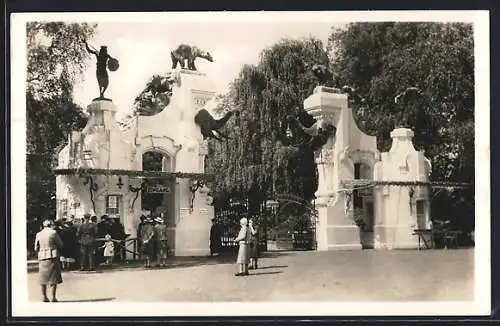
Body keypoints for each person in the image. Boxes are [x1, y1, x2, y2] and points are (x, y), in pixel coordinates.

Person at [34, 219, 63, 302]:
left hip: (42, 257)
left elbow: (36, 248)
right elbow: (60, 244)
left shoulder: (38, 234)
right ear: (51, 225)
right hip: (53, 255)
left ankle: (44, 297)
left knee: (43, 277)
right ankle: (53, 297)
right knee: (54, 277)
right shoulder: (53, 233)